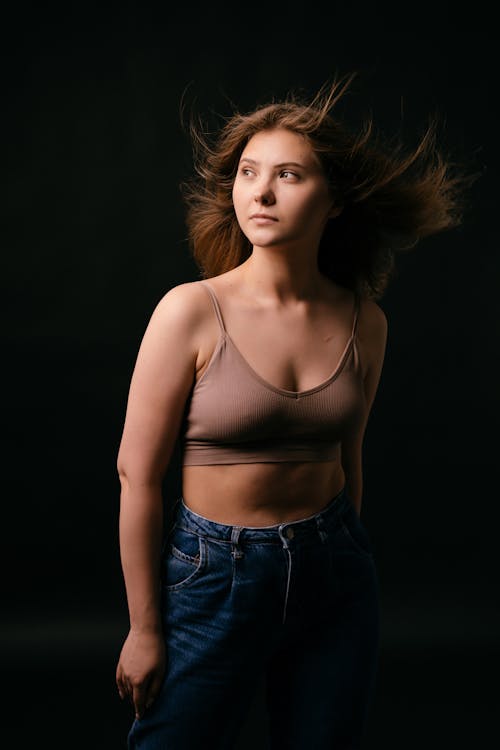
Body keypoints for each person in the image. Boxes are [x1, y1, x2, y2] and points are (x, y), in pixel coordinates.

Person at [115, 72, 475, 749]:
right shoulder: (191, 312)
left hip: (334, 570)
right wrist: (143, 627)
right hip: (213, 574)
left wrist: (343, 553)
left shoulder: (365, 321)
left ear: (334, 201)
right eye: (249, 173)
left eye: (289, 175)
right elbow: (137, 477)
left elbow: (349, 456)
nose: (262, 192)